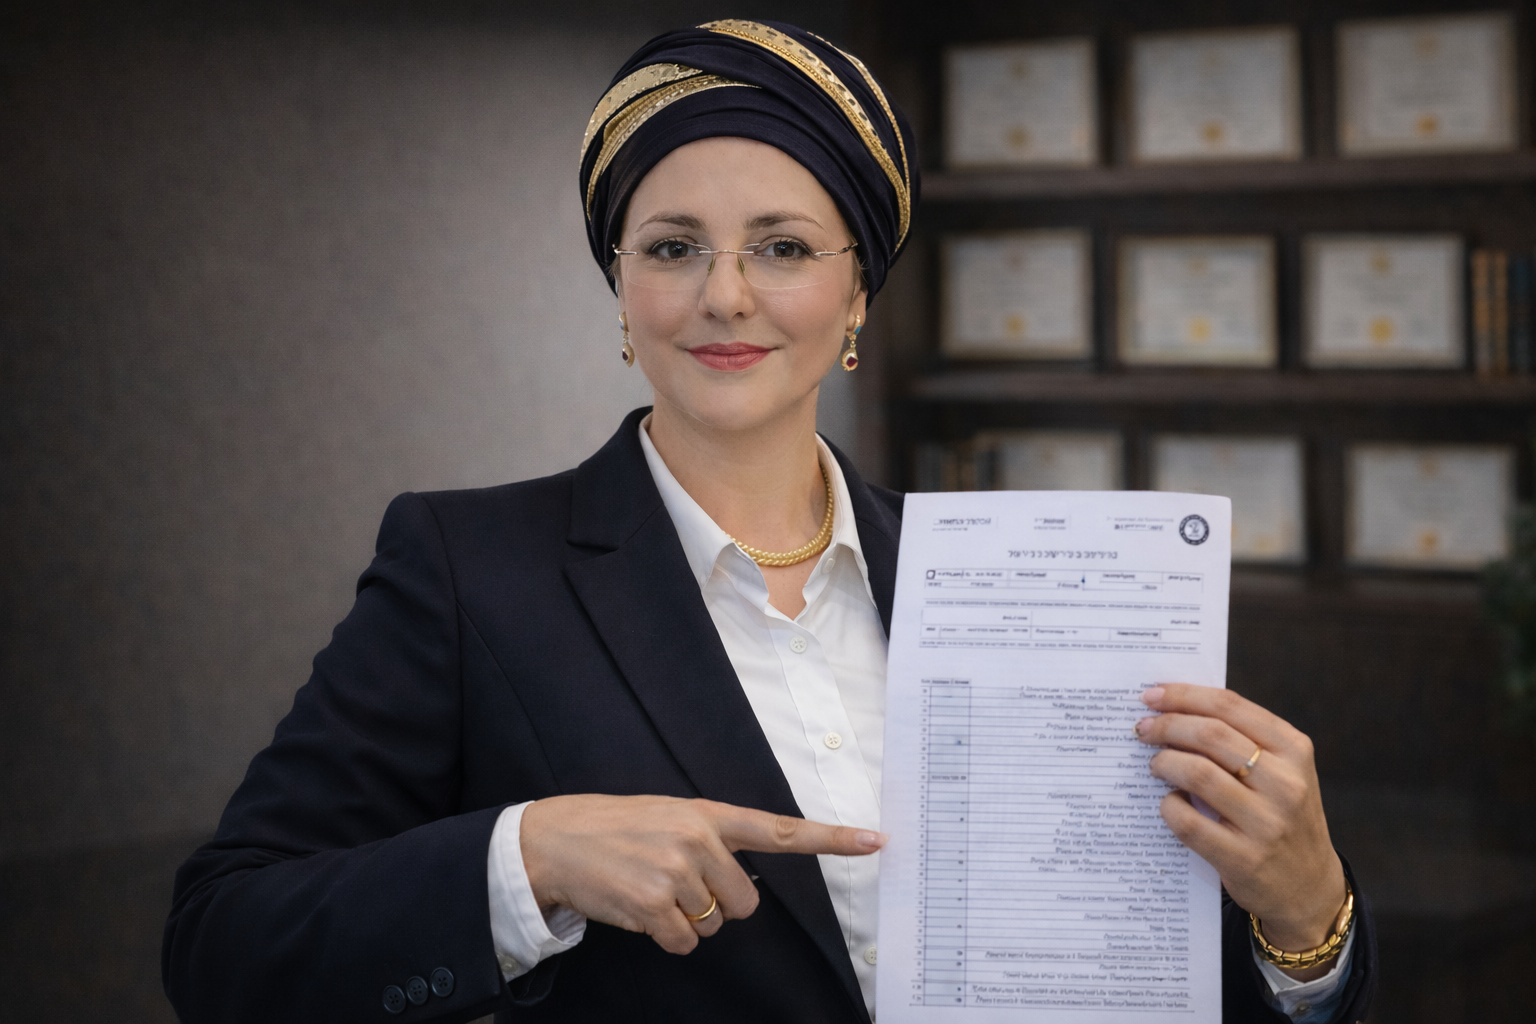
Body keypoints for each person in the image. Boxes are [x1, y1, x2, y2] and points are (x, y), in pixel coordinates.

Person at [163, 20, 1376, 1023]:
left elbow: (1142, 965)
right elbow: (223, 944)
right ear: (621, 287)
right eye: (673, 247)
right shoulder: (466, 569)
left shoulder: (1014, 584)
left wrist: (1305, 914)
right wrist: (530, 857)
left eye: (783, 247)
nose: (726, 294)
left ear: (858, 293)